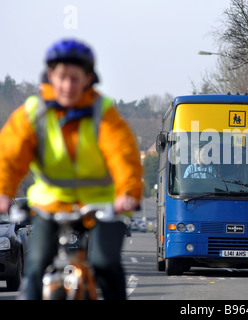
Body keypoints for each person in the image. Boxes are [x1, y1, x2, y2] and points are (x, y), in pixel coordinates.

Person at [0, 39, 143, 299]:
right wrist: (2, 190)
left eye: (75, 79)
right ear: (51, 76)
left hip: (100, 206)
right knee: (36, 266)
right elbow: (9, 155)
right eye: (62, 77)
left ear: (88, 78)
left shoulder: (102, 113)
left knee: (105, 265)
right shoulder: (34, 113)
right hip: (51, 205)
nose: (67, 85)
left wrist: (128, 191)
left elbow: (123, 155)